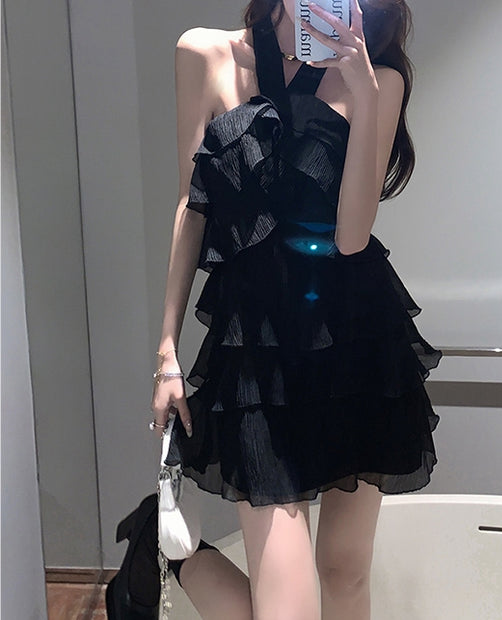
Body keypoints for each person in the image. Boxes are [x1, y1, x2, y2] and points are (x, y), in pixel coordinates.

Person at [105, 0, 443, 618]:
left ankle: (163, 550)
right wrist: (167, 351)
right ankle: (165, 552)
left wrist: (365, 96)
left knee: (345, 572)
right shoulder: (205, 53)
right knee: (287, 611)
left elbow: (351, 238)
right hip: (256, 350)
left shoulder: (380, 78)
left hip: (359, 341)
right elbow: (191, 206)